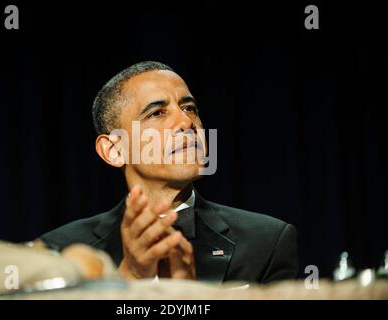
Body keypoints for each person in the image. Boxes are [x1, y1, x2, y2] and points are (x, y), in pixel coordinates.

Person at [40, 61, 298, 283]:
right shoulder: (59, 249)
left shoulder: (267, 242)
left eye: (189, 108)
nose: (186, 123)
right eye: (157, 112)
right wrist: (130, 276)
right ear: (114, 150)